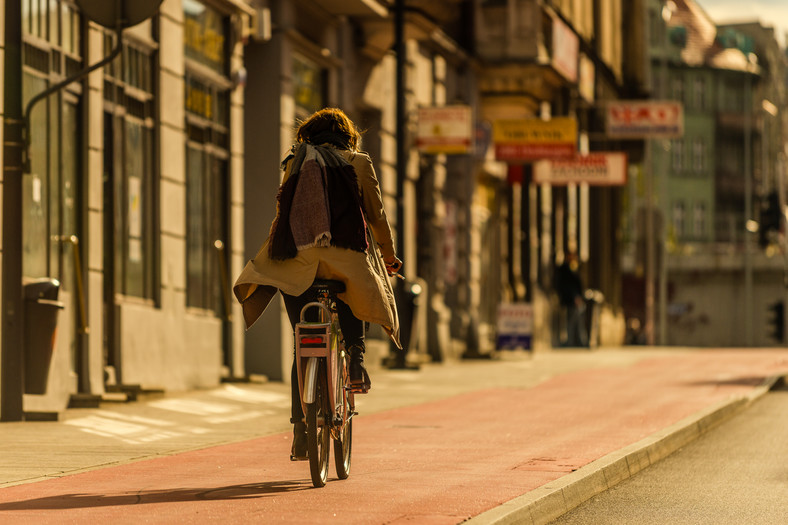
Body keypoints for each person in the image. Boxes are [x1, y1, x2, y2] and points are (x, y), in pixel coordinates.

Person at [233, 108, 403, 460]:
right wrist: (388, 255)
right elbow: (376, 215)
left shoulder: (295, 160)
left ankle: (300, 430)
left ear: (308, 134)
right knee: (354, 298)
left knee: (302, 342)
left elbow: (284, 212)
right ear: (347, 135)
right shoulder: (358, 162)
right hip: (344, 260)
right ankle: (355, 361)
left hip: (297, 262)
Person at [555, 252, 588, 347]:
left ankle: (578, 341)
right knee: (571, 321)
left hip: (575, 299)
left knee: (577, 320)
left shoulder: (575, 267)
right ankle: (572, 341)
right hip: (571, 299)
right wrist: (575, 296)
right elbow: (567, 285)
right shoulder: (565, 269)